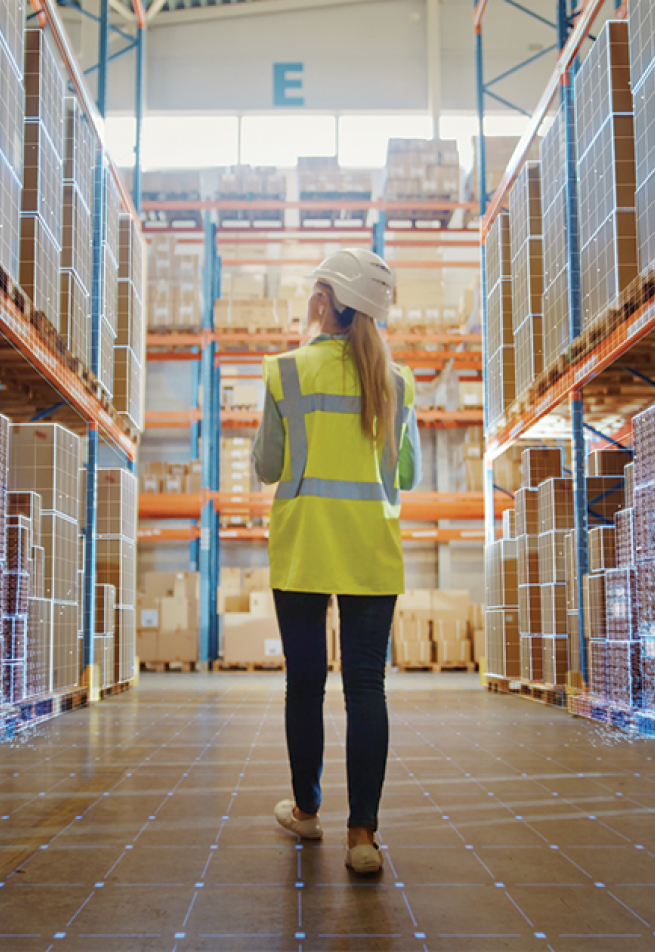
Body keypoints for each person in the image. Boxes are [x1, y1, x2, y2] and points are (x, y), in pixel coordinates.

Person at [252, 248, 422, 875]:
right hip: (371, 555)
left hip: (301, 551)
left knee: (305, 685)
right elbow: (407, 473)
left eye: (314, 290)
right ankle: (363, 838)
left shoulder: (285, 372)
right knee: (366, 689)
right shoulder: (398, 383)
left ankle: (306, 812)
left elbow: (269, 466)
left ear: (326, 301)